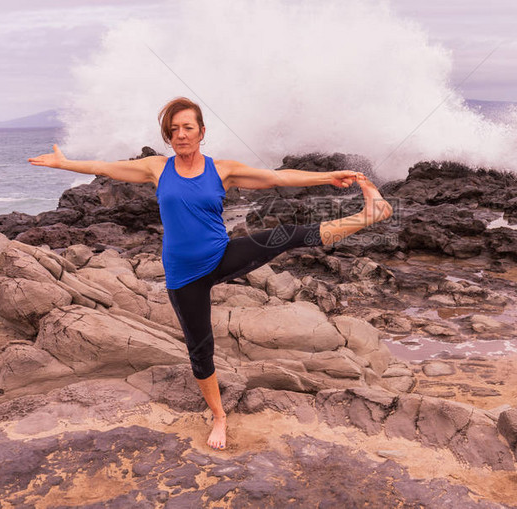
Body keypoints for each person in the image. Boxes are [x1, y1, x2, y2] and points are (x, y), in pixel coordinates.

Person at [29, 96, 392, 450]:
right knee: (200, 350)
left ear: (202, 131)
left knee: (289, 234)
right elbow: (104, 167)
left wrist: (328, 177)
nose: (181, 134)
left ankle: (369, 215)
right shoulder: (157, 168)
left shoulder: (222, 170)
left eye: (188, 127)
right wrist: (64, 164)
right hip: (183, 275)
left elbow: (276, 177)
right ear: (168, 137)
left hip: (221, 255)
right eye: (174, 130)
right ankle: (218, 415)